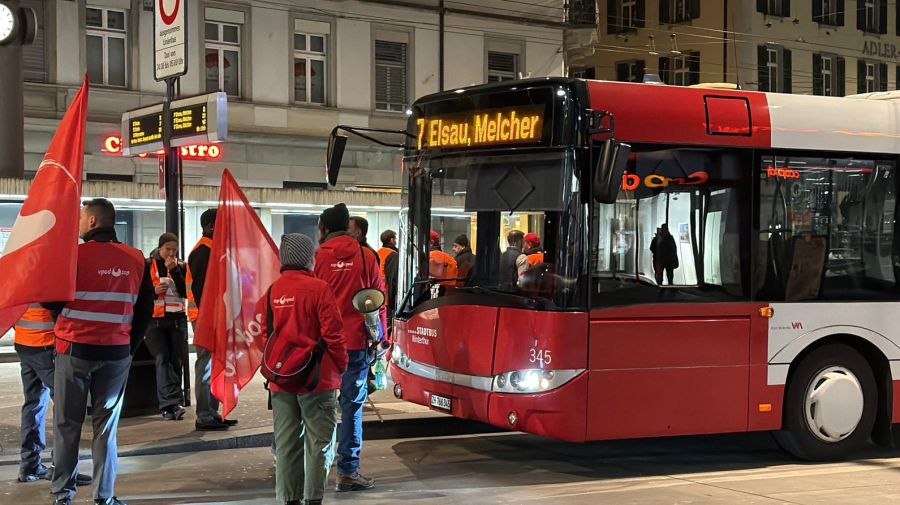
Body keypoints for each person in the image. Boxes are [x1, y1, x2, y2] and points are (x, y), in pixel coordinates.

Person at [49, 198, 155, 505]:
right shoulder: (136, 259)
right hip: (115, 353)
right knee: (106, 428)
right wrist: (127, 348)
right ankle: (104, 497)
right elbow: (144, 310)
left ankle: (62, 495)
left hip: (74, 350)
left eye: (82, 217)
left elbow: (51, 301)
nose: (80, 223)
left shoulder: (73, 257)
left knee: (67, 425)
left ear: (93, 221)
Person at [257, 233, 348, 505]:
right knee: (319, 444)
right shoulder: (320, 289)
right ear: (309, 258)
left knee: (286, 445)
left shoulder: (273, 291)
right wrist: (341, 367)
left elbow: (265, 335)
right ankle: (313, 499)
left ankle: (289, 499)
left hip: (282, 381)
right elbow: (334, 335)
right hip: (317, 381)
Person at [314, 203, 386, 492]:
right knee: (352, 407)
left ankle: (317, 468)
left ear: (326, 228)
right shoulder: (366, 256)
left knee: (319, 406)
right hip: (355, 343)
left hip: (322, 344)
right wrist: (380, 336)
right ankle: (347, 471)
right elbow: (377, 298)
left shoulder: (317, 257)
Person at [14, 306, 92, 486]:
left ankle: (29, 466)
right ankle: (61, 468)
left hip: (25, 341)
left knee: (33, 404)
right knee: (66, 405)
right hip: (47, 343)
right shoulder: (47, 277)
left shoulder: (21, 276)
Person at [187, 209, 236, 431]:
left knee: (212, 365)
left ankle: (212, 412)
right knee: (205, 365)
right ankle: (205, 415)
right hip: (204, 318)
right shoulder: (203, 252)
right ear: (210, 227)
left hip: (211, 317)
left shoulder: (212, 251)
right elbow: (201, 291)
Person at [145, 233, 188, 421]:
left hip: (177, 319)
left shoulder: (181, 266)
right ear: (160, 248)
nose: (171, 252)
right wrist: (153, 292)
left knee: (175, 360)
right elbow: (140, 292)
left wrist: (176, 271)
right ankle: (169, 403)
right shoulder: (148, 265)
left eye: (174, 249)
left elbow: (187, 291)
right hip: (154, 321)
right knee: (162, 358)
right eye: (167, 249)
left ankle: (174, 403)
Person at [378, 230, 399, 321]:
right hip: (387, 297)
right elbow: (393, 279)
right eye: (395, 239)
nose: (396, 241)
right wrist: (393, 301)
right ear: (391, 240)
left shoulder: (378, 252)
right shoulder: (393, 255)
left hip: (378, 294)